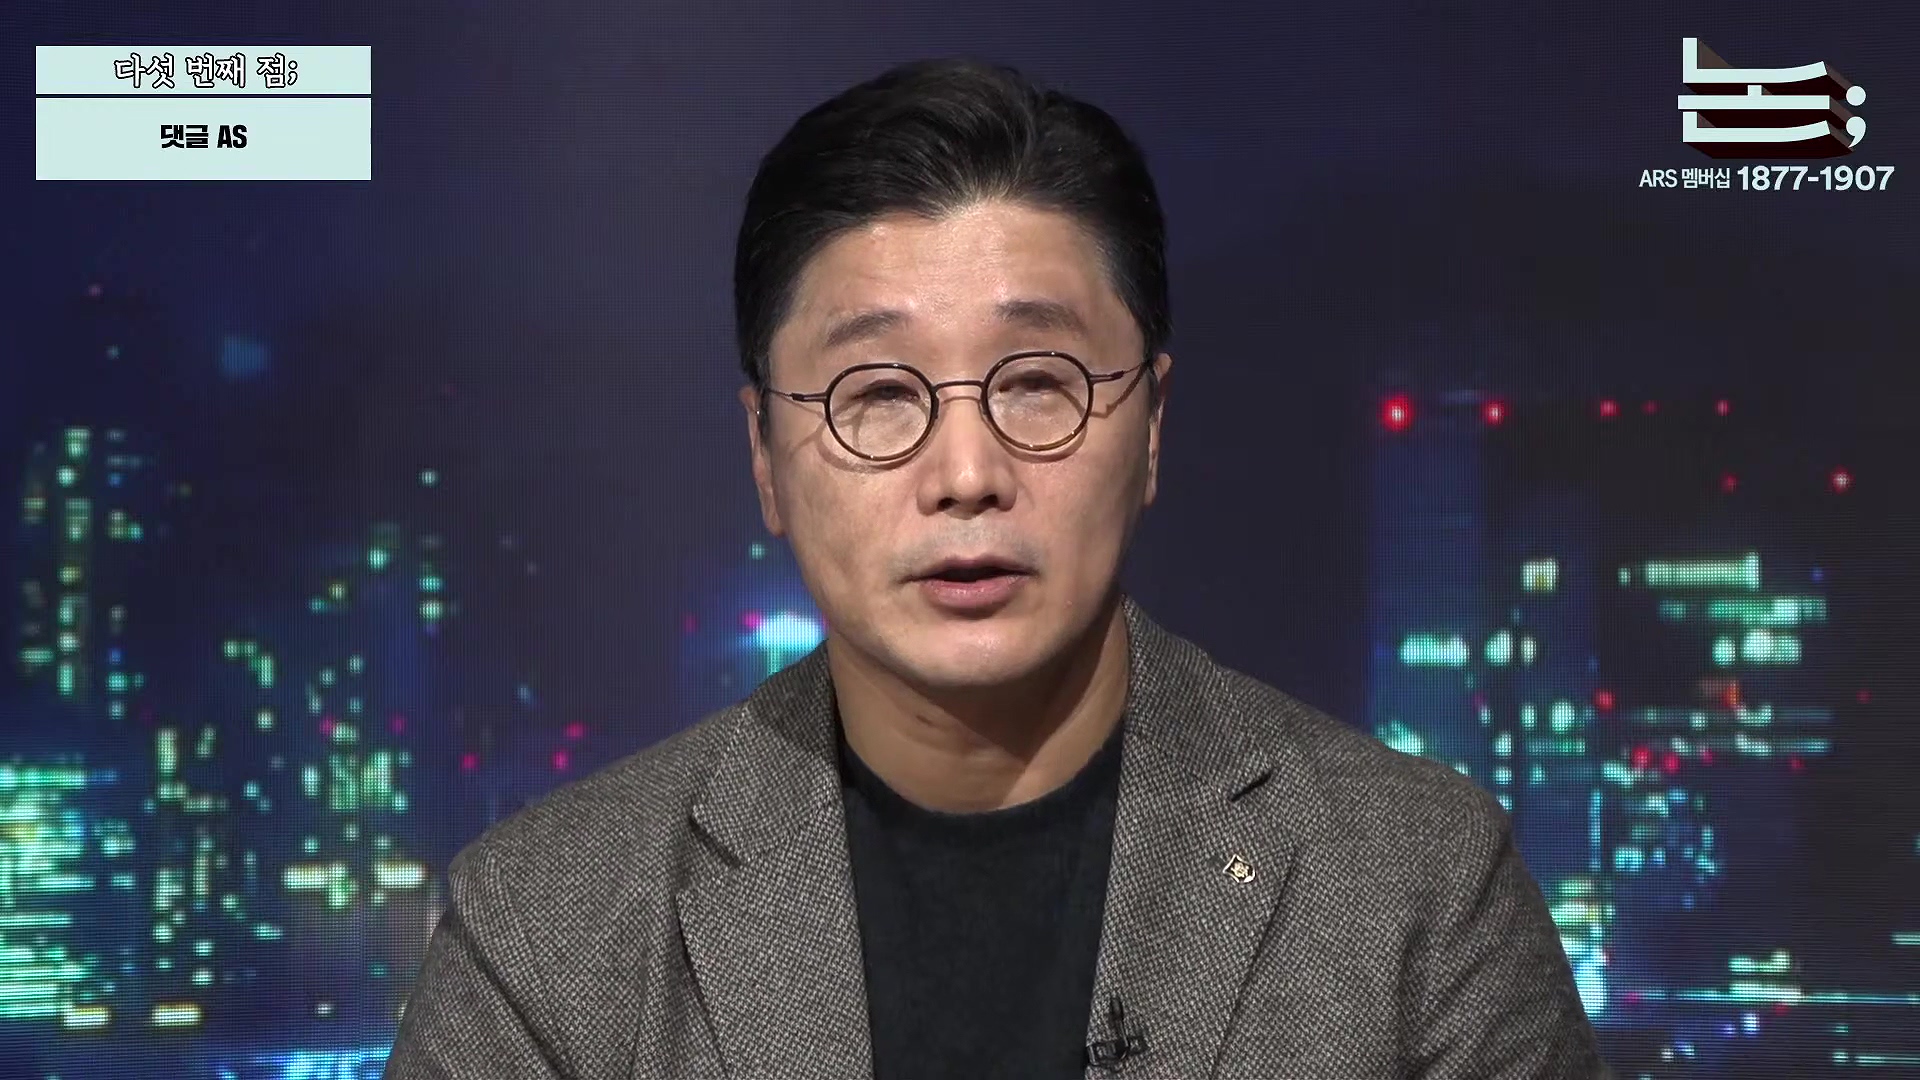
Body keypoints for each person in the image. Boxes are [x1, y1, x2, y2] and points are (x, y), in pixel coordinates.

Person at [383, 58, 1610, 1080]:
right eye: (876, 393)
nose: (966, 472)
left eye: (1037, 382)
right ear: (765, 457)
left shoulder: (1417, 889)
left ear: (1152, 427)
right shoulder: (545, 935)